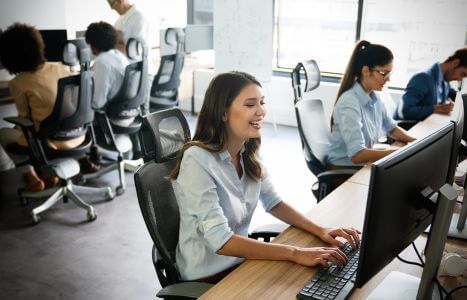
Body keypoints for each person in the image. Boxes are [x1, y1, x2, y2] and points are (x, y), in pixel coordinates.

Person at [169, 71, 361, 282]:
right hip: (208, 275)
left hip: (241, 262)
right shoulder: (197, 160)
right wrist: (295, 253)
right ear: (223, 113)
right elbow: (221, 241)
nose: (261, 111)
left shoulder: (247, 151)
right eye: (250, 105)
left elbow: (273, 202)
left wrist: (322, 230)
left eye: (262, 102)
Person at [0, 23, 80, 192]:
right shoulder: (62, 68)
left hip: (50, 144)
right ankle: (50, 174)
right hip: (78, 136)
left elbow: (25, 120)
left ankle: (32, 178)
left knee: (4, 134)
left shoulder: (18, 82)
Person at [327, 40, 416, 167]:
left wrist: (416, 142)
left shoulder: (375, 98)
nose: (388, 79)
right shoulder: (349, 102)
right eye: (384, 73)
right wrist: (398, 152)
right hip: (344, 172)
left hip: (362, 165)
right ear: (366, 71)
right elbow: (357, 155)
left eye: (389, 74)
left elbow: (391, 128)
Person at [395, 48, 467, 121]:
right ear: (456, 63)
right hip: (410, 129)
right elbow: (403, 112)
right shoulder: (423, 78)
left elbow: (457, 96)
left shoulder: (445, 81)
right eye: (462, 74)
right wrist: (438, 109)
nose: (459, 79)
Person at [84, 21, 129, 113]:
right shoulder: (118, 55)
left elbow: (97, 103)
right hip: (127, 109)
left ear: (93, 44)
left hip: (112, 115)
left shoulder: (102, 62)